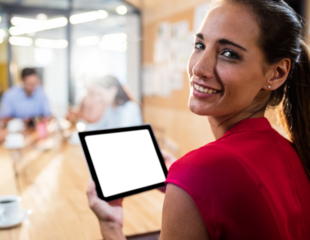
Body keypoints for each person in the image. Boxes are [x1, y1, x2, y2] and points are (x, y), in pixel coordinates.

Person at [87, 0, 310, 239]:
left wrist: (110, 226)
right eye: (199, 45)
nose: (199, 68)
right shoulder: (291, 150)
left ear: (276, 74)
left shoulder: (201, 169)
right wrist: (190, 186)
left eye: (228, 54)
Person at [68, 75, 142, 131]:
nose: (97, 98)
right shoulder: (110, 108)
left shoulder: (130, 108)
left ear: (113, 90)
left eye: (100, 94)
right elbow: (101, 126)